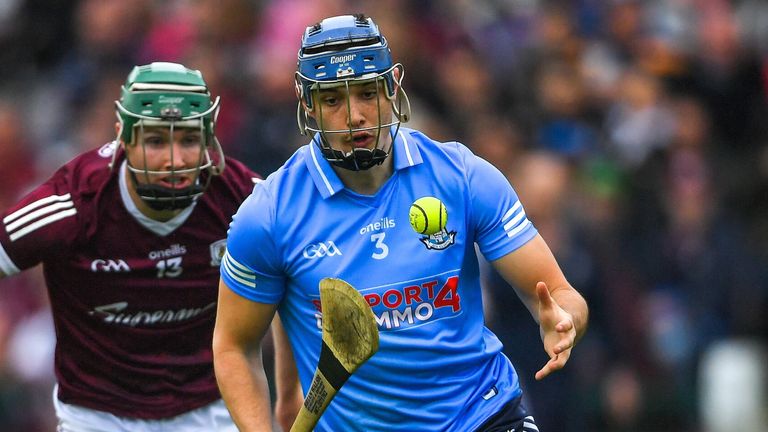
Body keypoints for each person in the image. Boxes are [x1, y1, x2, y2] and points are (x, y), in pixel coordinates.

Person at [213, 14, 589, 431]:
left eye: (366, 93)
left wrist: (564, 320)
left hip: (482, 414)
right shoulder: (269, 214)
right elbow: (234, 346)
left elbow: (558, 294)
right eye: (333, 100)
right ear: (308, 105)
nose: (354, 116)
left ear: (392, 86)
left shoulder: (461, 175)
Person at [0, 61, 260, 431]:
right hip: (98, 416)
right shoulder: (72, 204)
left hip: (210, 409)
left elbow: (305, 262)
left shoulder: (242, 198)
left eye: (188, 140)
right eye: (156, 141)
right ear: (123, 137)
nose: (174, 160)